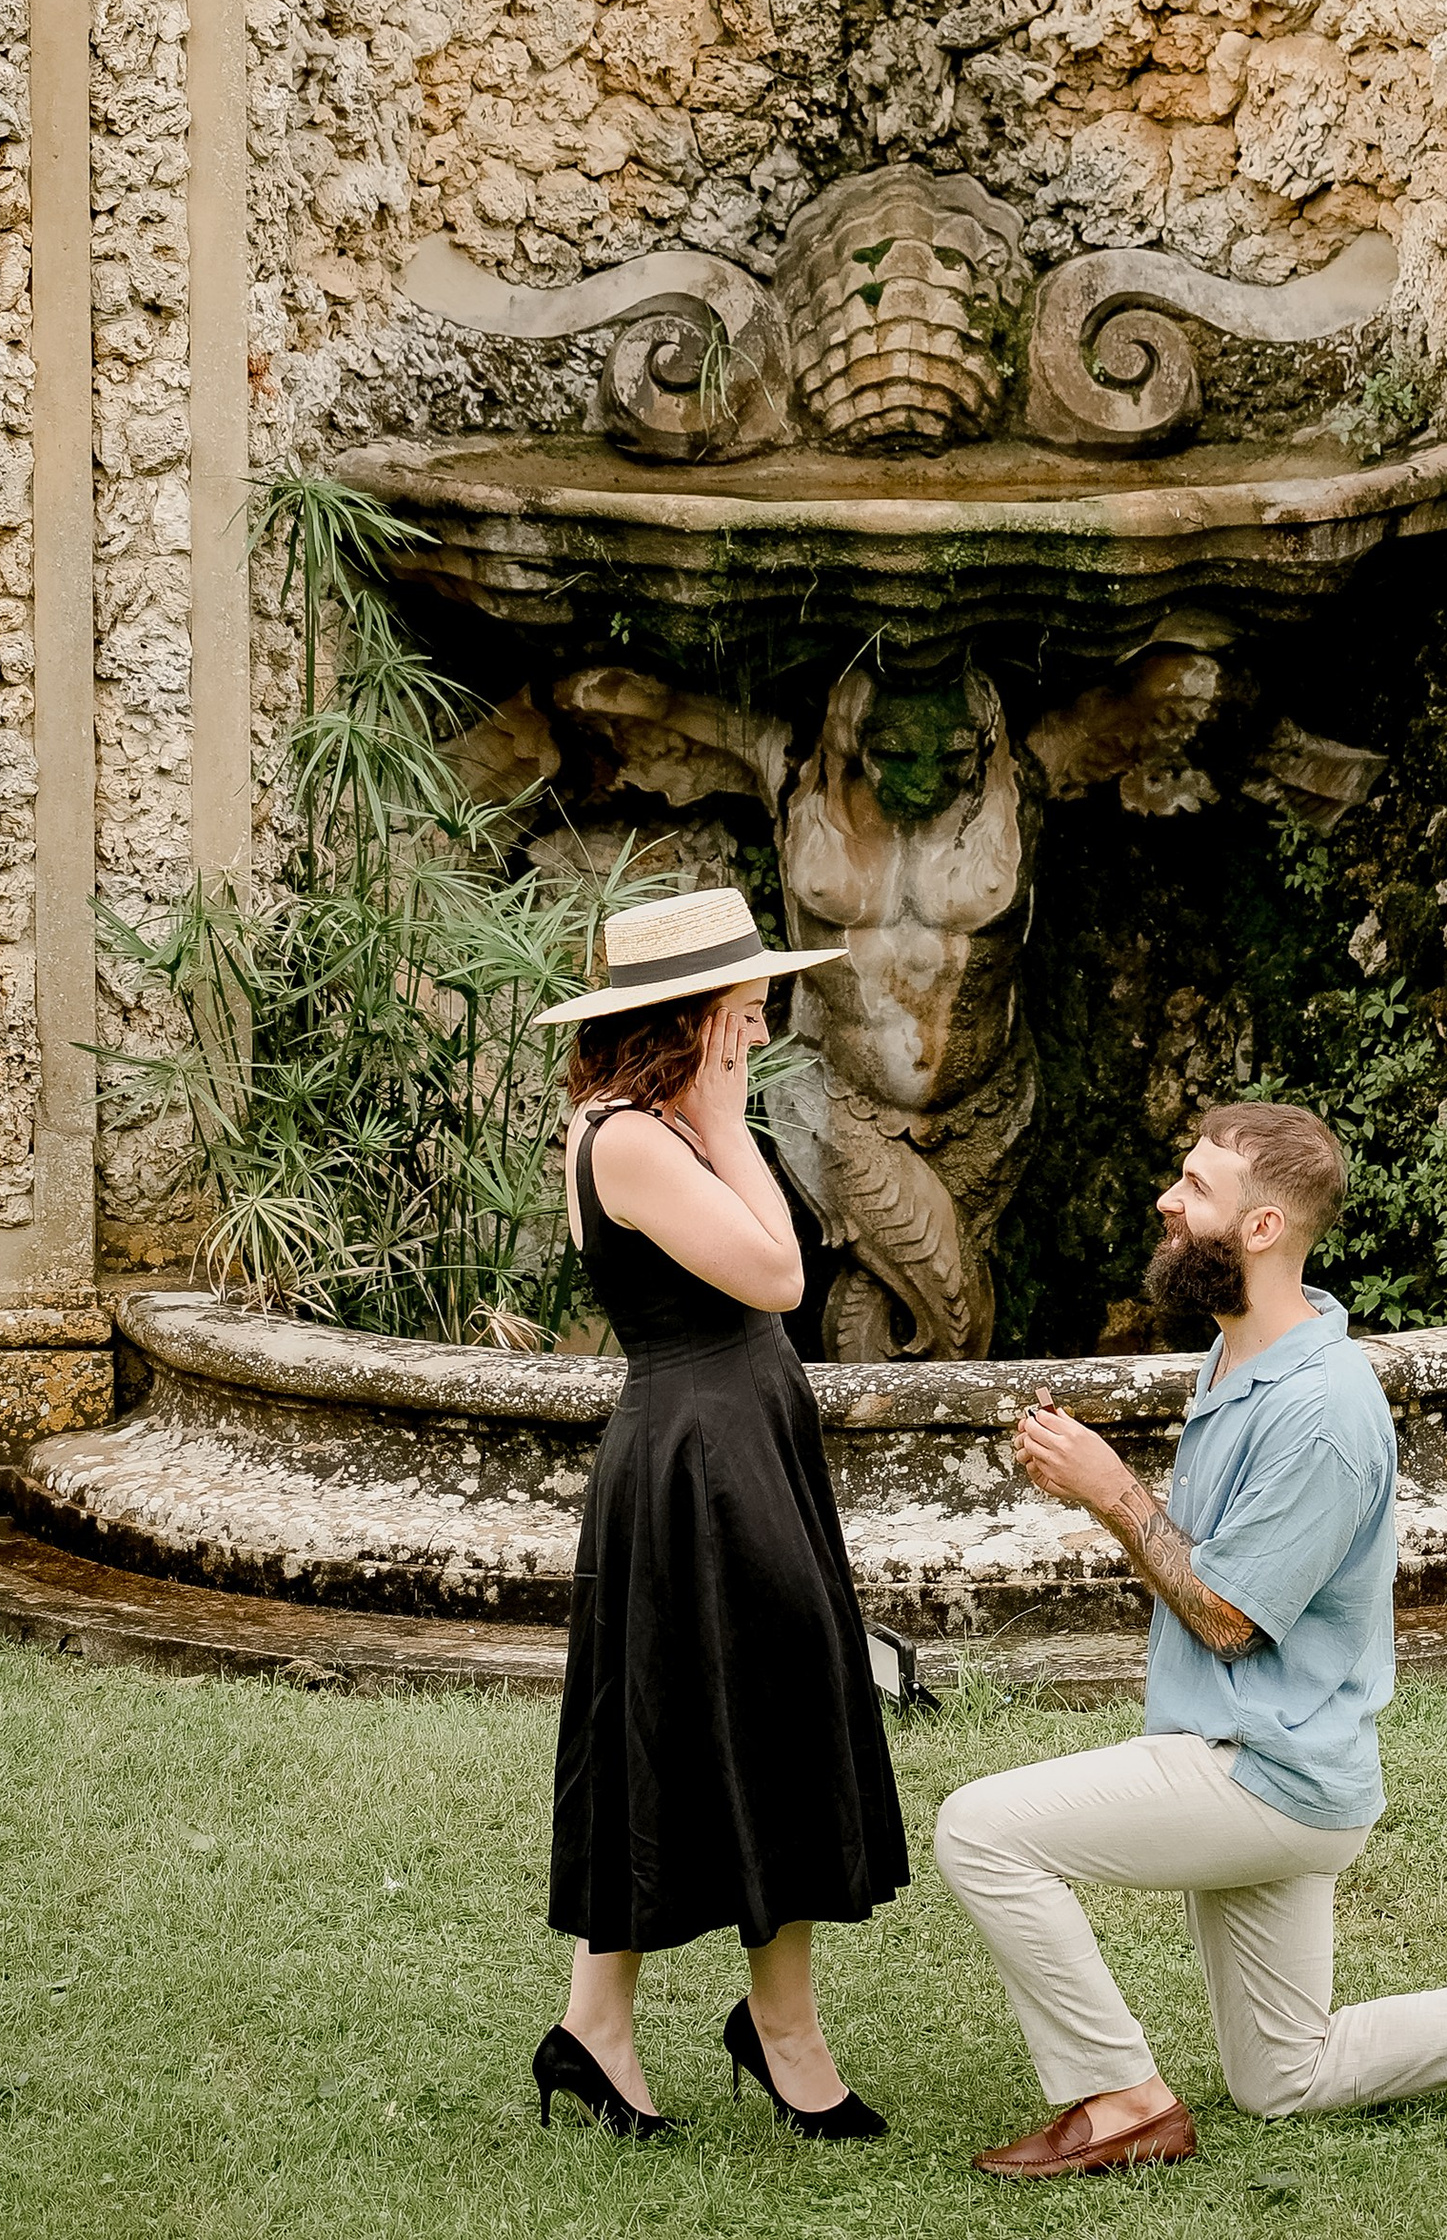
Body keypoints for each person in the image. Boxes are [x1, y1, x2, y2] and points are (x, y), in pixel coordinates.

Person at [933, 1100, 1447, 2178]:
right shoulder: (1241, 1355)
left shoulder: (1320, 1410)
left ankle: (1122, 2102)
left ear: (1262, 1227)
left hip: (1260, 1771)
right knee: (1284, 2076)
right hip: (1265, 1757)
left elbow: (1229, 1620)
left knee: (981, 1831)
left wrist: (1111, 1489)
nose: (1168, 1201)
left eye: (1196, 1189)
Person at [530, 884, 907, 2142]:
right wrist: (727, 1119)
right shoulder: (631, 1139)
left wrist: (712, 1114)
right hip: (699, 1456)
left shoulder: (662, 1126)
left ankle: (657, 2026)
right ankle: (719, 2031)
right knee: (710, 1713)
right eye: (743, 1009)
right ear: (688, 1018)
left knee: (739, 1709)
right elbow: (779, 1274)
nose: (760, 1026)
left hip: (742, 1438)